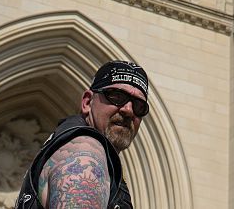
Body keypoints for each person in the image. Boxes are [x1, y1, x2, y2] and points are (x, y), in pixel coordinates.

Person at [15, 60, 150, 209]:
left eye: (139, 105)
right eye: (117, 96)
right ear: (87, 102)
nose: (128, 110)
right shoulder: (85, 153)